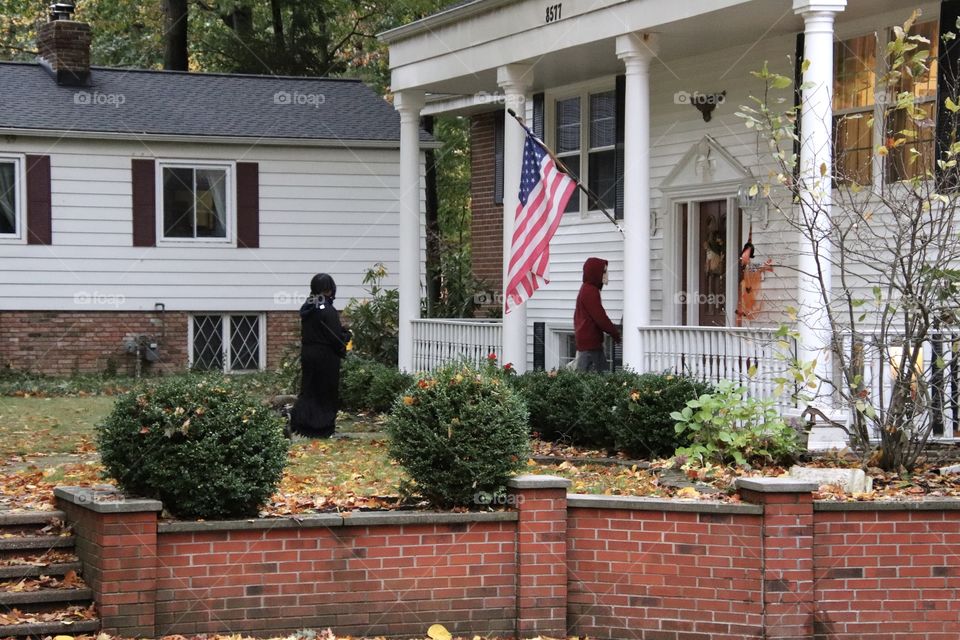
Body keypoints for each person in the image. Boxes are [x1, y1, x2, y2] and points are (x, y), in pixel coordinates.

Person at [290, 273, 351, 438]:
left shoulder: (309, 306)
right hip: (325, 355)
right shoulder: (328, 309)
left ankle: (301, 422)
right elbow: (334, 336)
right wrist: (345, 338)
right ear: (330, 289)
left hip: (308, 352)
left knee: (309, 389)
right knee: (326, 390)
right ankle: (323, 427)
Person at [574, 257, 621, 372]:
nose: (606, 274)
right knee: (600, 382)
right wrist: (615, 333)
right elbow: (600, 317)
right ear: (595, 273)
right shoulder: (590, 291)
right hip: (590, 346)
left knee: (596, 380)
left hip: (589, 344)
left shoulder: (587, 289)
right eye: (603, 271)